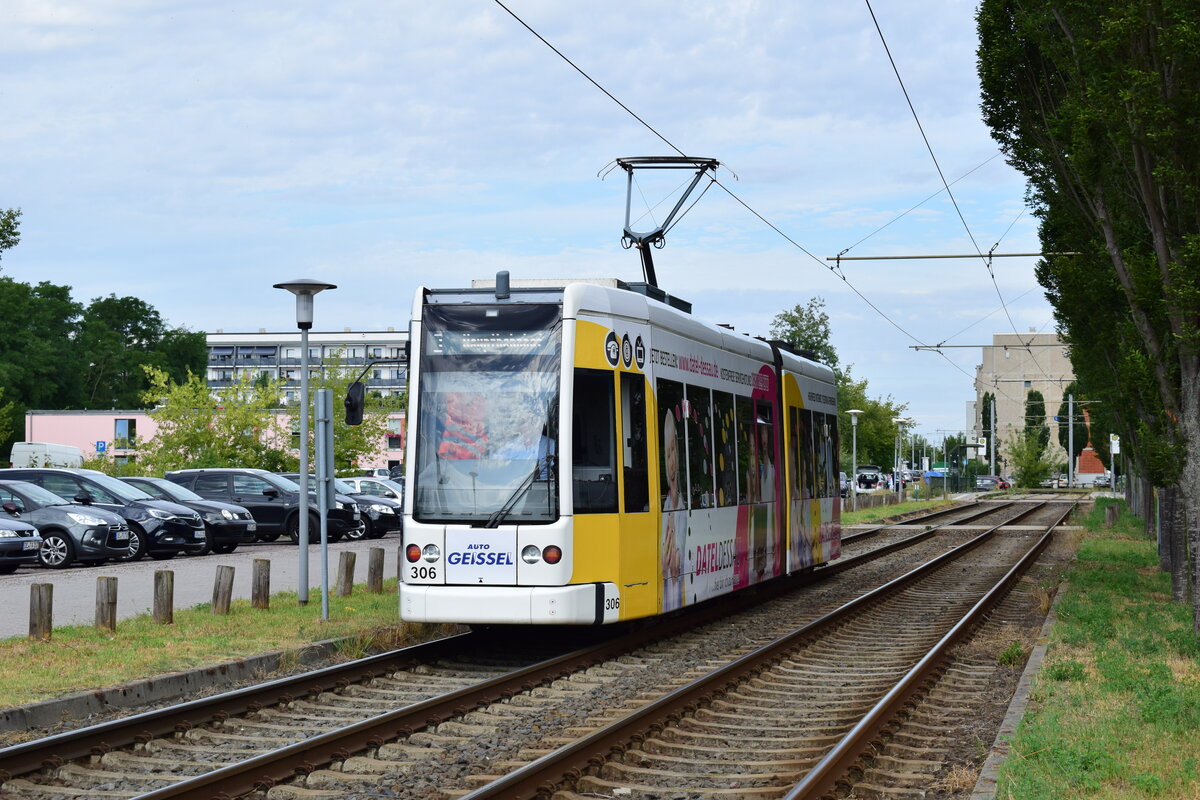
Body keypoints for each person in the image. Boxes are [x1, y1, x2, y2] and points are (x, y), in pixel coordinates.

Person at [661, 411, 686, 611]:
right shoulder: (666, 506)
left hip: (678, 591)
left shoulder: (682, 507)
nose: (670, 461)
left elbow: (678, 565)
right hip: (668, 591)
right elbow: (663, 566)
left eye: (672, 451)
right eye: (666, 453)